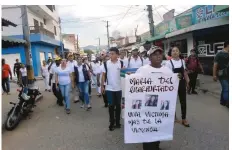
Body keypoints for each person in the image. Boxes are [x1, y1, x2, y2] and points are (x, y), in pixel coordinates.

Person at [136, 45, 173, 150]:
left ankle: (156, 146)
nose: (158, 57)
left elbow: (172, 89)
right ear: (149, 57)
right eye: (155, 55)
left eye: (160, 54)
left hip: (161, 108)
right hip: (147, 107)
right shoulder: (142, 70)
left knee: (158, 129)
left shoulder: (167, 71)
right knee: (148, 131)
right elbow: (134, 89)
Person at [165, 46, 190, 127]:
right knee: (172, 101)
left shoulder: (182, 61)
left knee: (183, 101)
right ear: (171, 53)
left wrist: (188, 81)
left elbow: (185, 72)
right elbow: (166, 75)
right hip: (172, 84)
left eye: (176, 51)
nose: (175, 52)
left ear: (179, 52)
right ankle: (174, 117)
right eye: (173, 51)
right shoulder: (168, 63)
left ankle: (184, 118)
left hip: (182, 83)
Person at [101, 47, 123, 131]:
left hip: (119, 88)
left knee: (118, 106)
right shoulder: (106, 64)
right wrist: (102, 86)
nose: (111, 55)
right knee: (111, 106)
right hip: (109, 88)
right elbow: (103, 75)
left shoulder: (121, 63)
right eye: (110, 53)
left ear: (117, 55)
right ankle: (112, 123)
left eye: (113, 53)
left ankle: (117, 122)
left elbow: (124, 73)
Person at [213, 40, 229, 107]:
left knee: (225, 88)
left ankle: (222, 101)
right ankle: (228, 103)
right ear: (228, 45)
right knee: (227, 88)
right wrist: (214, 75)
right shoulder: (219, 54)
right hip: (222, 75)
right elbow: (215, 65)